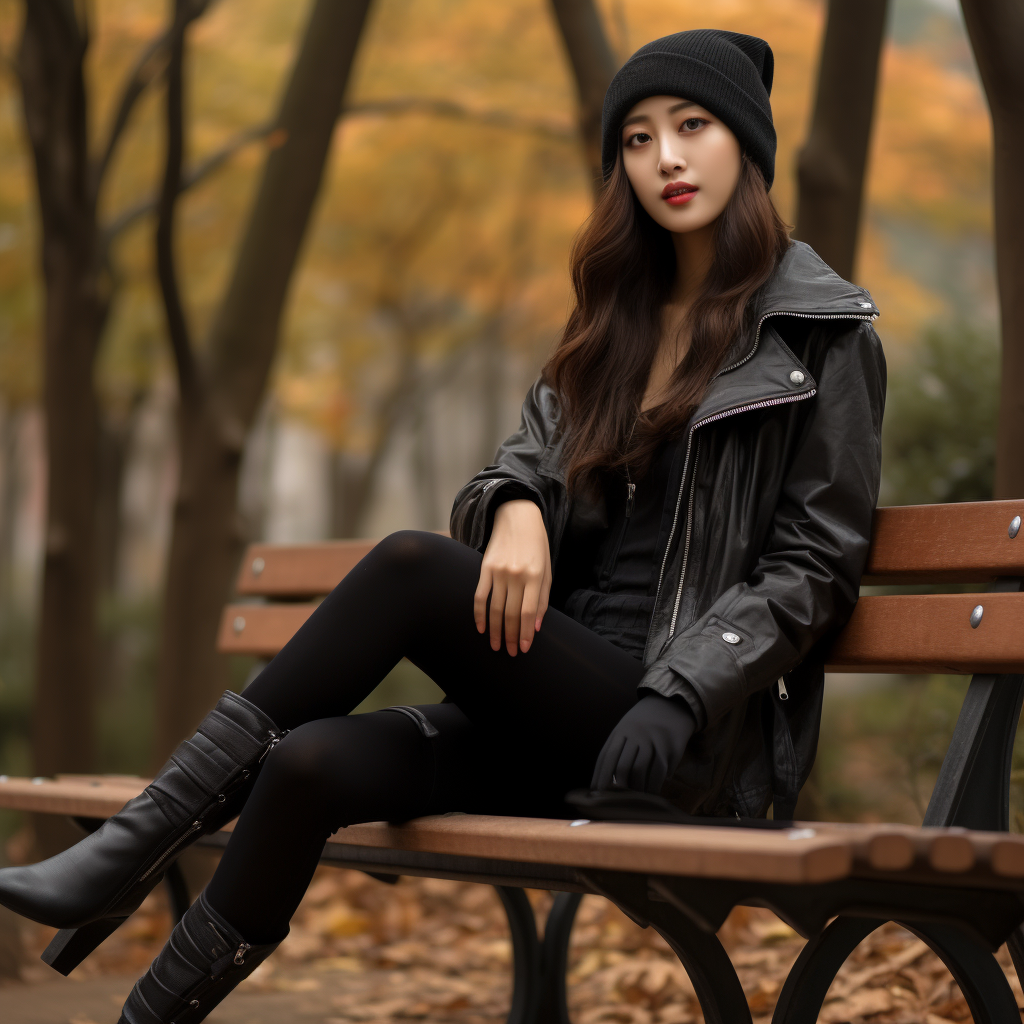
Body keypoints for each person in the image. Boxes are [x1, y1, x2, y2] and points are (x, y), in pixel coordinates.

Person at [0, 28, 885, 1023]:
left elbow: (817, 561)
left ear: (746, 144)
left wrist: (681, 692)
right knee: (305, 764)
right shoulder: (610, 326)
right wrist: (511, 508)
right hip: (551, 706)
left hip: (667, 734)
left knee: (415, 567)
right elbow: (511, 465)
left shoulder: (819, 335)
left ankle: (133, 845)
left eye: (692, 126)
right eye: (636, 139)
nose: (665, 159)